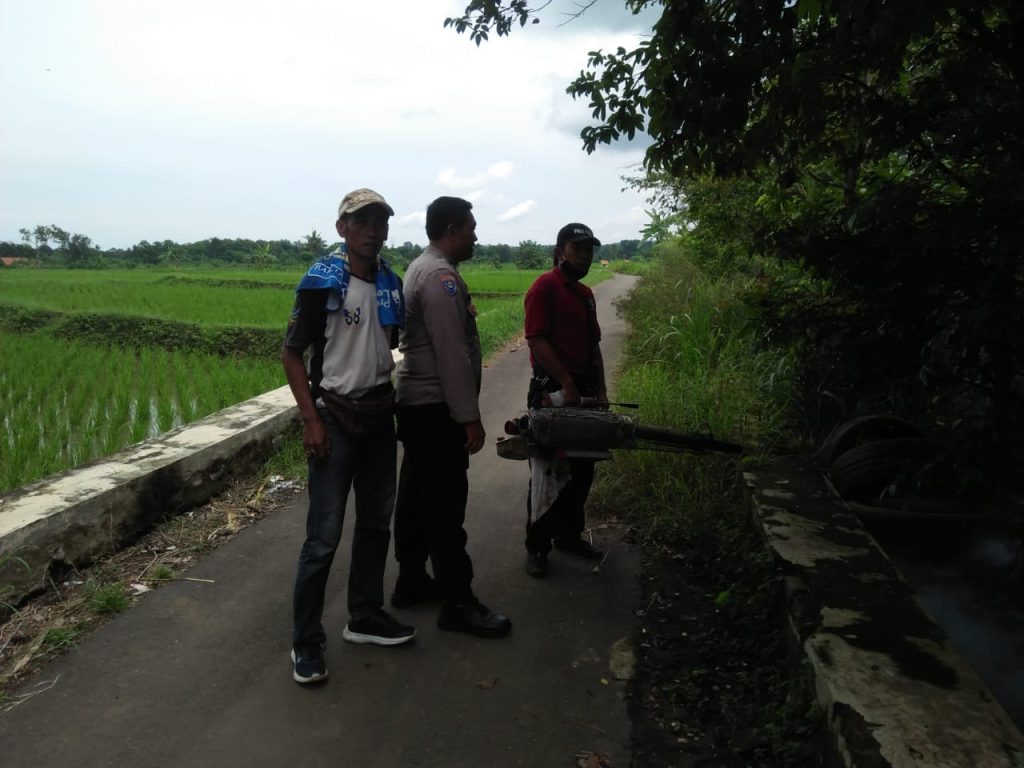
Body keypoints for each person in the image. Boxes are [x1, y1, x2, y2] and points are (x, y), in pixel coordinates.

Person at [282, 188, 415, 685]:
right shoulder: (322, 282)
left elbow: (393, 345)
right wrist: (310, 420)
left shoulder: (390, 284)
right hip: (334, 416)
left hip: (379, 415)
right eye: (362, 222)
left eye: (380, 222)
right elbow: (292, 353)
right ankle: (306, 642)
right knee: (323, 537)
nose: (373, 231)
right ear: (343, 228)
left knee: (377, 524)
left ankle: (364, 616)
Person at [390, 195, 512, 638]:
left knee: (416, 495)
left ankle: (411, 580)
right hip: (435, 408)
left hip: (419, 406)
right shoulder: (439, 277)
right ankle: (458, 601)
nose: (476, 236)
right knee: (444, 503)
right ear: (452, 231)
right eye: (471, 228)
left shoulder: (422, 267)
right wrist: (468, 417)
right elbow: (452, 355)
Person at [522, 223, 608, 577]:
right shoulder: (545, 286)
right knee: (548, 473)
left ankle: (569, 536)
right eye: (577, 249)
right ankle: (537, 546)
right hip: (552, 392)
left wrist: (601, 391)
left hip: (583, 392)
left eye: (589, 250)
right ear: (560, 252)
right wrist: (566, 381)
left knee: (582, 471)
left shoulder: (585, 294)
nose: (585, 256)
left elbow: (593, 345)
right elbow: (536, 339)